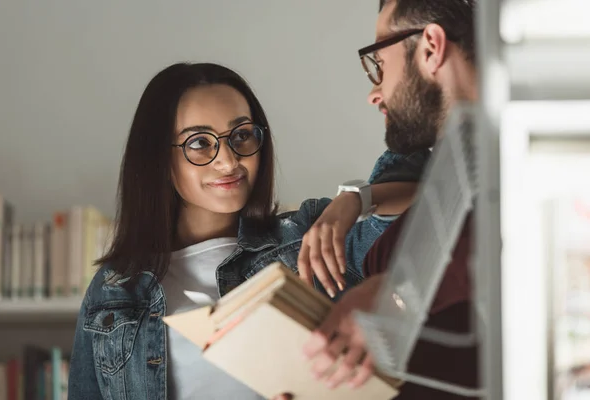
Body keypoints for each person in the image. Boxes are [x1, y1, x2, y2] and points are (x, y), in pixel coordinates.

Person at [67, 62, 427, 399]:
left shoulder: (305, 237)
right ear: (159, 158)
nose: (228, 160)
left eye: (241, 135)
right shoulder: (115, 291)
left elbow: (431, 193)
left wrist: (353, 201)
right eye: (199, 143)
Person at [299, 0, 479, 399]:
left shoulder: (533, 159)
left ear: (431, 47)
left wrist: (399, 292)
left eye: (379, 62)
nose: (374, 93)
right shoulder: (391, 249)